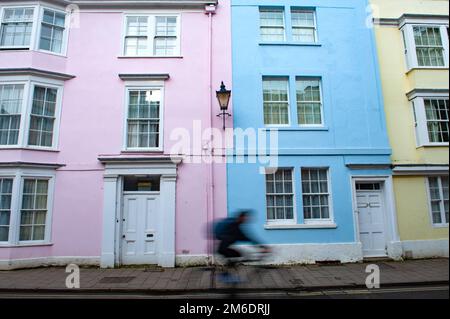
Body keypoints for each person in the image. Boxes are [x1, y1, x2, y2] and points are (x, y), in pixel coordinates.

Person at [214, 210, 270, 283]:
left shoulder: (236, 226)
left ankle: (227, 274)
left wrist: (262, 247)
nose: (246, 220)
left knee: (237, 257)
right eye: (245, 218)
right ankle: (226, 275)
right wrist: (263, 247)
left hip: (223, 248)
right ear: (241, 217)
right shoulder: (234, 227)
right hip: (223, 249)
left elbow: (248, 238)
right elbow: (247, 238)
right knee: (238, 255)